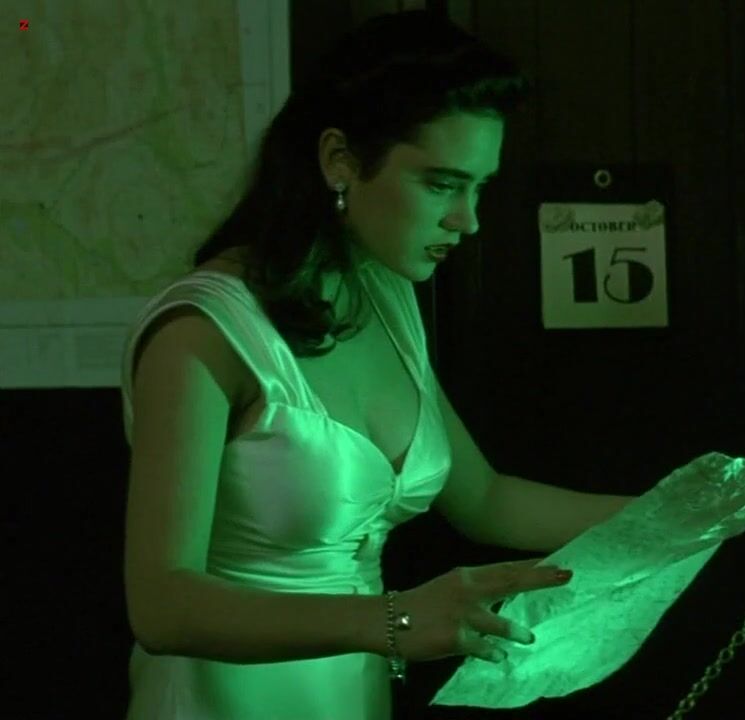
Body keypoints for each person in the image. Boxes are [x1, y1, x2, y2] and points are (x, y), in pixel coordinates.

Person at [120, 11, 632, 719]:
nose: (468, 220)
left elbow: (486, 499)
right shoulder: (203, 332)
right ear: (340, 160)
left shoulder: (386, 296)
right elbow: (162, 605)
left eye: (479, 187)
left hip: (353, 697)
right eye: (442, 184)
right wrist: (395, 619)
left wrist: (684, 514)